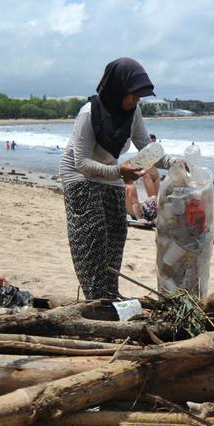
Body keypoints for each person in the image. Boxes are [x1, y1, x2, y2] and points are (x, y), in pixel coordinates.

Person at [58, 57, 182, 299]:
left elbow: (146, 147)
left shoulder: (133, 113)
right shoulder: (88, 114)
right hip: (78, 175)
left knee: (117, 232)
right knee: (93, 236)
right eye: (132, 96)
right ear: (116, 90)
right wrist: (118, 172)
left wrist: (172, 162)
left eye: (138, 97)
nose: (136, 101)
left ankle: (110, 293)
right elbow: (81, 163)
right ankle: (96, 297)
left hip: (110, 171)